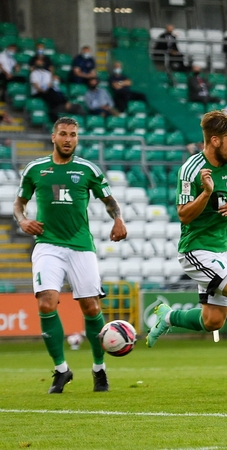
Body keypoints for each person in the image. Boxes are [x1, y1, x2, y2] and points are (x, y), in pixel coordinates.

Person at [145, 110, 227, 388]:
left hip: (221, 249)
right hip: (196, 250)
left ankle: (167, 316)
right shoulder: (191, 169)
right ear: (215, 140)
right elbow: (183, 215)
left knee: (213, 321)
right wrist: (205, 193)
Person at [14, 116, 128, 394]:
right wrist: (23, 220)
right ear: (53, 137)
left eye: (73, 135)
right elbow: (19, 203)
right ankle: (62, 370)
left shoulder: (88, 169)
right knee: (46, 303)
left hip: (80, 246)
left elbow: (109, 200)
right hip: (47, 245)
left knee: (91, 308)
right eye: (63, 134)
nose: (68, 139)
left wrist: (118, 219)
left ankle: (99, 369)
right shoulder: (35, 169)